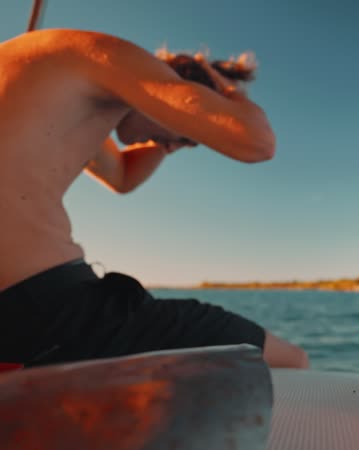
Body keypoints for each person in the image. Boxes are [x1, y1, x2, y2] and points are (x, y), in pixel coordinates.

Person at [0, 28, 309, 369]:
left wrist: (168, 129)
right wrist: (227, 92)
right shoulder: (109, 54)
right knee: (290, 360)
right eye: (189, 138)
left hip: (25, 308)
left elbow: (121, 178)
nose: (175, 147)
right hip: (45, 309)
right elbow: (257, 142)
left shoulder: (48, 76)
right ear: (175, 90)